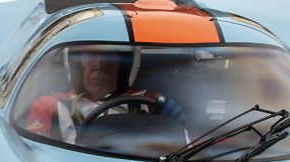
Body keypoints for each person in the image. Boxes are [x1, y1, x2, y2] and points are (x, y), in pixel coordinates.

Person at [22, 46, 181, 144]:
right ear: (76, 64)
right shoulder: (48, 106)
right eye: (91, 56)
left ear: (125, 66)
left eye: (109, 56)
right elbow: (32, 156)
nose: (99, 65)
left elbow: (186, 152)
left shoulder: (155, 105)